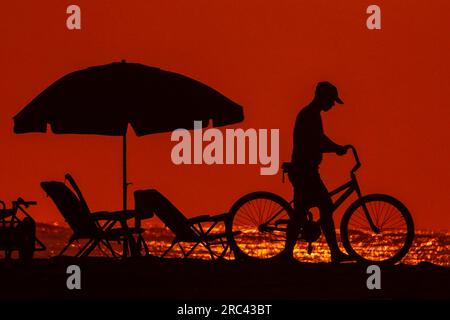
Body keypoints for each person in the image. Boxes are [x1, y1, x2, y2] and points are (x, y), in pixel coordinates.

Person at [283, 81, 352, 263]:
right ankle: (334, 253)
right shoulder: (309, 115)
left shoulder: (311, 114)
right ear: (323, 98)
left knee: (304, 211)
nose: (332, 105)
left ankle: (288, 253)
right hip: (304, 171)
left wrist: (334, 148)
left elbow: (319, 140)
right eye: (331, 100)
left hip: (307, 170)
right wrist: (337, 148)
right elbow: (317, 141)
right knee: (324, 207)